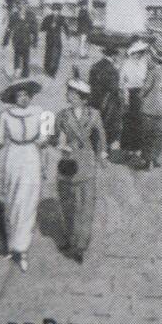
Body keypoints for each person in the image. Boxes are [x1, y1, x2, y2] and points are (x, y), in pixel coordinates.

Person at [0, 78, 49, 272]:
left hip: (32, 158)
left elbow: (44, 142)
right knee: (13, 202)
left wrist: (45, 165)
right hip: (13, 157)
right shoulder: (5, 116)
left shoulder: (40, 113)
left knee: (29, 203)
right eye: (19, 95)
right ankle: (11, 244)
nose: (23, 98)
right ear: (13, 97)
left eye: (26, 95)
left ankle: (21, 250)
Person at [52, 77, 105, 263]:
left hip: (86, 162)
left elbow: (101, 138)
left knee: (86, 205)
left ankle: (81, 246)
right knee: (67, 203)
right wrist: (60, 146)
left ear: (83, 98)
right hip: (68, 162)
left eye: (72, 93)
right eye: (68, 92)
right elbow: (54, 138)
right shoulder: (62, 115)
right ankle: (70, 238)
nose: (68, 95)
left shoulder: (95, 115)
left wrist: (101, 155)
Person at [118, 40, 149, 165]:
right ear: (133, 53)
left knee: (139, 123)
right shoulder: (126, 64)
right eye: (138, 53)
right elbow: (121, 81)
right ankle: (127, 150)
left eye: (141, 53)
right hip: (130, 94)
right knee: (129, 122)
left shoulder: (143, 64)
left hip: (140, 95)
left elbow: (145, 79)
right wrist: (124, 95)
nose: (140, 55)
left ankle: (136, 150)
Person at [88, 46, 123, 152]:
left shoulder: (95, 66)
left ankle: (92, 145)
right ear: (113, 56)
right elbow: (114, 89)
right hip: (107, 102)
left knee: (93, 122)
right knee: (106, 124)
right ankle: (102, 148)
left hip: (94, 99)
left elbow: (90, 83)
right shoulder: (113, 70)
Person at [140, 47, 162, 168]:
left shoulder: (153, 72)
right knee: (158, 133)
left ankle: (149, 161)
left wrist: (140, 96)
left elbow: (146, 88)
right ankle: (155, 158)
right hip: (159, 107)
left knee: (148, 133)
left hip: (149, 106)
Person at [5, 5, 35, 78]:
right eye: (20, 6)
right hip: (17, 40)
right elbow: (9, 28)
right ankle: (17, 71)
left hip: (26, 40)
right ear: (18, 7)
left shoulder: (31, 15)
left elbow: (34, 29)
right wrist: (5, 40)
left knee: (26, 57)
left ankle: (25, 73)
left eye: (24, 6)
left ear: (27, 6)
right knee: (17, 56)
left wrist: (35, 41)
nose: (22, 8)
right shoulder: (14, 15)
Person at [40, 4, 67, 78]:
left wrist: (68, 35)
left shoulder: (62, 18)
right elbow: (42, 28)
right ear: (52, 10)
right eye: (54, 10)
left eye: (57, 11)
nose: (55, 12)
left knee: (56, 55)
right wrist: (49, 26)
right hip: (49, 39)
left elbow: (66, 27)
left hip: (58, 40)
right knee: (48, 54)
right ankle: (47, 68)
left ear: (59, 11)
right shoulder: (47, 18)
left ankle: (53, 71)